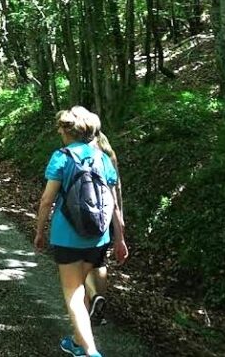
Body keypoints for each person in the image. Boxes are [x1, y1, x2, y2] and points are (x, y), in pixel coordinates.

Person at [33, 107, 127, 357]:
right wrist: (120, 238)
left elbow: (46, 200)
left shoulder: (62, 157)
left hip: (67, 236)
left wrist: (40, 230)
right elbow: (113, 203)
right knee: (82, 289)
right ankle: (77, 341)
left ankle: (91, 351)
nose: (59, 132)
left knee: (73, 293)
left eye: (61, 128)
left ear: (68, 131)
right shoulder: (102, 158)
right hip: (98, 237)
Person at [84, 116, 128, 327]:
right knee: (100, 261)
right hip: (109, 213)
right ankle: (99, 308)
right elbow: (117, 189)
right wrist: (120, 219)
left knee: (80, 261)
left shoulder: (85, 154)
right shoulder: (110, 156)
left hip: (86, 214)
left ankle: (93, 298)